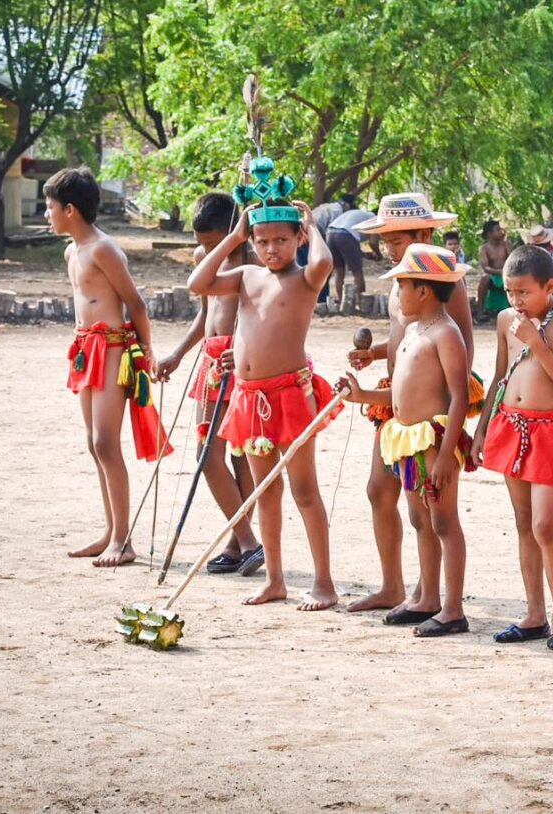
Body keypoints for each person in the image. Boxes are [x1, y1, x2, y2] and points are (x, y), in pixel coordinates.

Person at [188, 190, 342, 611]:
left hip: (290, 396)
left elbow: (324, 263)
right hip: (248, 398)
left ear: (298, 240)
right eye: (262, 240)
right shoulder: (245, 277)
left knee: (304, 490)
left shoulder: (305, 279)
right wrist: (233, 238)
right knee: (265, 492)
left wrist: (312, 227)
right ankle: (275, 580)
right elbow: (196, 283)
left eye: (282, 240)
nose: (271, 248)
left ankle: (323, 582)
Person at [347, 193, 476, 622]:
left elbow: (453, 351)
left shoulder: (441, 284)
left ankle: (438, 599)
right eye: (385, 240)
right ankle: (405, 588)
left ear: (424, 234)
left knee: (437, 515)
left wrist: (448, 437)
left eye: (396, 238)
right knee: (399, 500)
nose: (389, 248)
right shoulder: (404, 290)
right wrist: (372, 367)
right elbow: (409, 341)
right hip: (397, 406)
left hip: (430, 416)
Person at [51, 166, 171, 568]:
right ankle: (110, 532)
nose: (47, 215)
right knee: (93, 443)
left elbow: (135, 304)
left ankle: (124, 539)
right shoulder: (72, 250)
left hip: (115, 350)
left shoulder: (103, 248)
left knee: (105, 442)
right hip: (87, 349)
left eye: (51, 207)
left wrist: (147, 352)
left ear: (70, 209)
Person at [472, 245, 553, 651]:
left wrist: (537, 343)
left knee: (544, 524)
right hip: (508, 424)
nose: (515, 301)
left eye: (524, 293)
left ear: (550, 286)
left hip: (547, 430)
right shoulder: (506, 319)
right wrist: (482, 428)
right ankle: (534, 613)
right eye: (510, 292)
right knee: (523, 523)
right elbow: (500, 375)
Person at [156, 192, 262, 575]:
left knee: (240, 456)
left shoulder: (253, 261)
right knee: (209, 456)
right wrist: (179, 354)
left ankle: (242, 542)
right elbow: (206, 317)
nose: (208, 250)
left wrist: (248, 350)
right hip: (212, 364)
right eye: (202, 244)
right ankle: (245, 541)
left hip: (243, 364)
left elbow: (265, 318)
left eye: (217, 242)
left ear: (235, 232)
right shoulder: (205, 261)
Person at [324, 204, 382, 306]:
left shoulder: (359, 214)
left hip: (330, 233)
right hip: (346, 235)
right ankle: (361, 302)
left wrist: (363, 254)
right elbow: (373, 242)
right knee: (357, 272)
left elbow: (349, 244)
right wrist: (378, 255)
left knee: (339, 271)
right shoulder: (375, 219)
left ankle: (342, 302)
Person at [477, 219, 514, 320]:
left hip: (507, 274)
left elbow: (512, 261)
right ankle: (480, 312)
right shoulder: (484, 248)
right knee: (484, 279)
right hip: (493, 276)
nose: (501, 232)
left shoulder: (506, 244)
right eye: (498, 230)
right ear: (490, 234)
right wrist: (499, 272)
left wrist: (505, 272)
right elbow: (485, 267)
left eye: (501, 229)